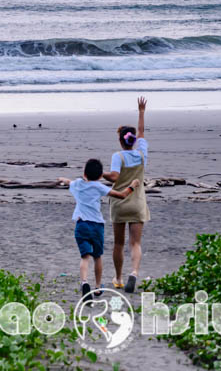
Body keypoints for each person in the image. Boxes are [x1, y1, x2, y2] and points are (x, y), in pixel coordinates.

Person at [58, 160, 139, 300]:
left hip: (81, 225)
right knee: (97, 256)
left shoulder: (77, 184)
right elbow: (121, 195)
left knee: (84, 257)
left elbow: (69, 182)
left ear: (84, 173)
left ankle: (84, 282)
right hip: (97, 226)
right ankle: (97, 287)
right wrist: (132, 186)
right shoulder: (99, 187)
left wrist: (62, 179)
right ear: (101, 176)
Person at [104, 97, 150, 293]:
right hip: (138, 203)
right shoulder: (141, 153)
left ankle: (119, 278)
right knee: (135, 243)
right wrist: (141, 112)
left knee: (119, 243)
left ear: (120, 140)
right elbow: (141, 132)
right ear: (133, 140)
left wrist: (99, 174)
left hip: (119, 202)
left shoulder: (118, 156)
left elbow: (114, 176)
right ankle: (134, 272)